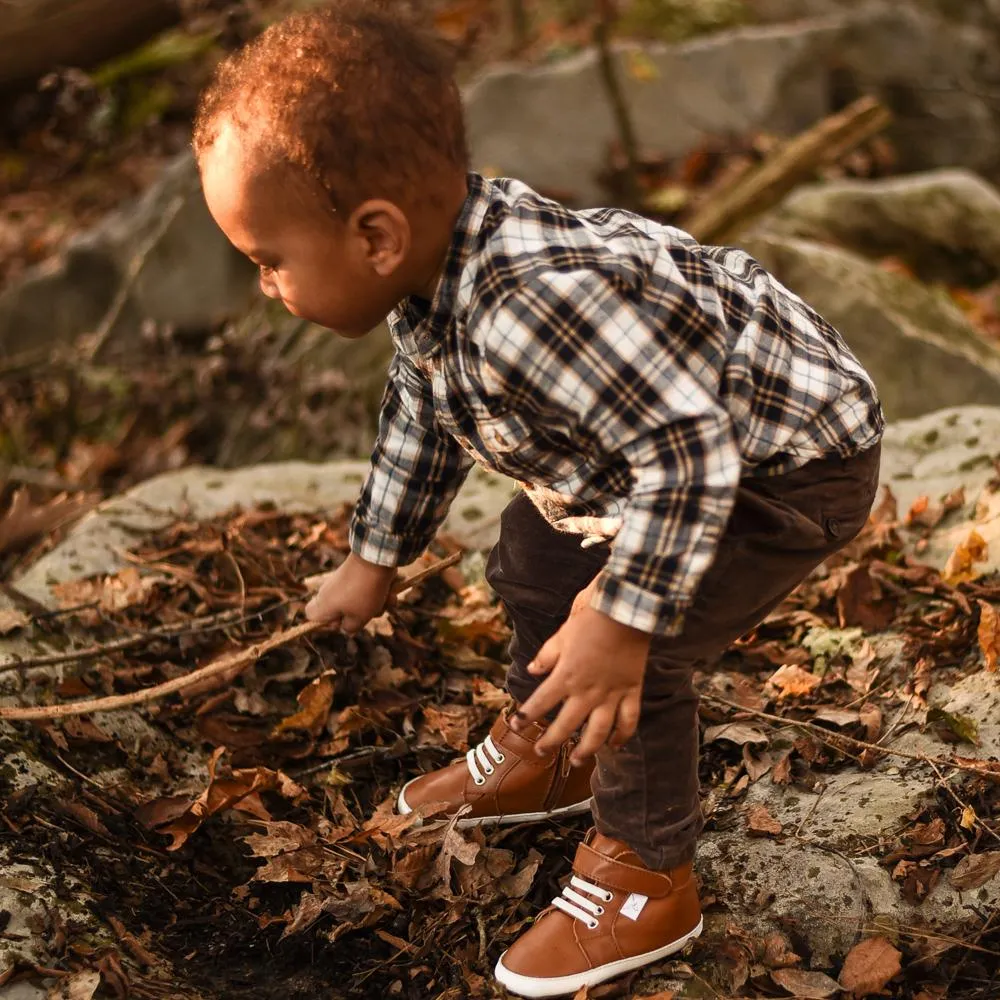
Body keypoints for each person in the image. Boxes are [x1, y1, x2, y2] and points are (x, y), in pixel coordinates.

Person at [193, 3, 884, 996]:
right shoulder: (435, 288)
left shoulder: (525, 305)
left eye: (268, 258)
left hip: (783, 464)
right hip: (669, 454)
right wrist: (372, 557)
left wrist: (622, 615)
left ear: (375, 235)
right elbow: (421, 420)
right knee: (532, 546)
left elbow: (690, 449)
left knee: (630, 657)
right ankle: (551, 744)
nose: (264, 284)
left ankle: (645, 873)